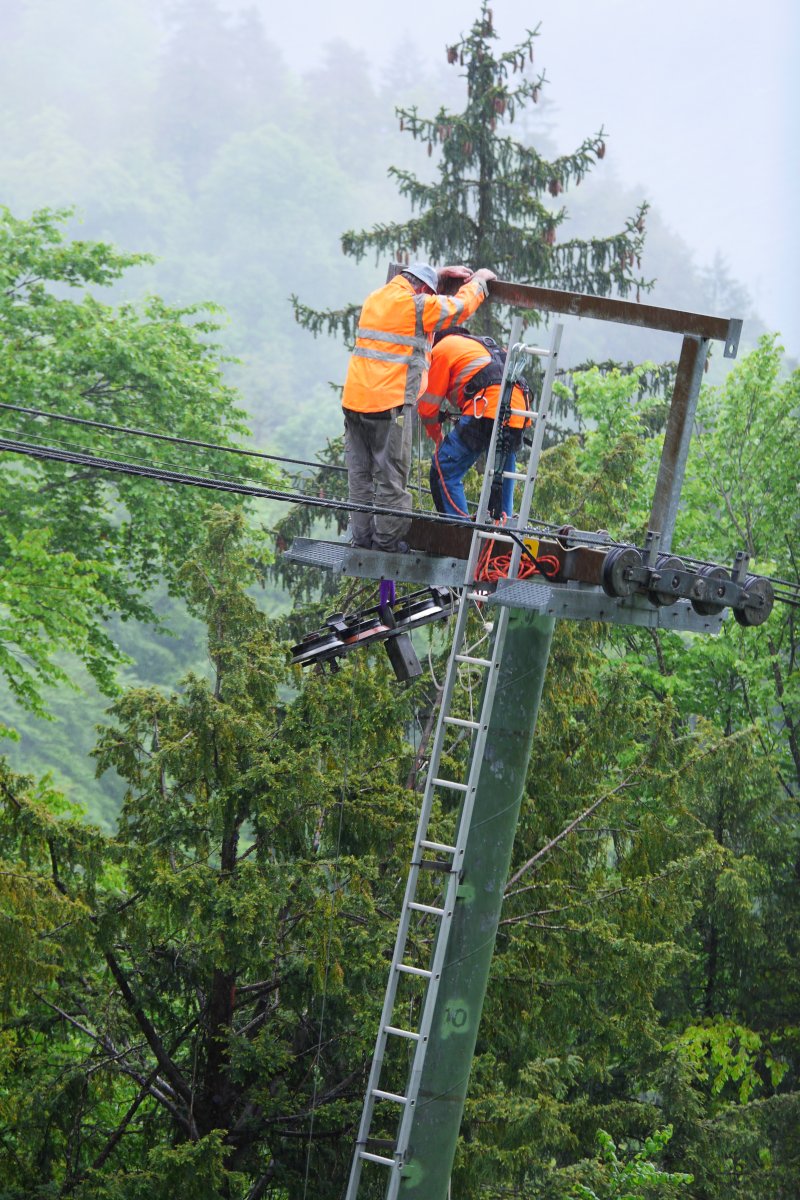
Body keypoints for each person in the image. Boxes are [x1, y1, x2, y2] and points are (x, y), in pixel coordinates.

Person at [341, 262, 496, 553]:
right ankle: (386, 544)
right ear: (424, 291)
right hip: (388, 405)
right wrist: (481, 282)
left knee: (360, 477)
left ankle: (361, 540)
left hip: (353, 402)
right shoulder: (415, 305)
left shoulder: (376, 298)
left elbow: (415, 286)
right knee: (391, 477)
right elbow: (459, 307)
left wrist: (437, 274)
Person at [418, 329, 530, 521]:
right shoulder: (482, 345)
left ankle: (461, 533)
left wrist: (437, 437)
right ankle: (502, 530)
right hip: (519, 413)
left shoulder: (441, 348)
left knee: (443, 470)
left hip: (486, 408)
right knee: (500, 478)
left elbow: (428, 408)